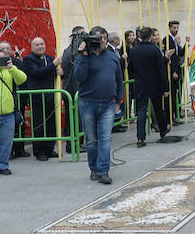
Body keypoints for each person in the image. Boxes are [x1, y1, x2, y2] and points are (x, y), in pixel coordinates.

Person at [72, 26, 123, 185]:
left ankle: (103, 170)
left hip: (108, 103)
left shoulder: (113, 56)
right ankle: (93, 168)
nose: (102, 41)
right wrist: (82, 54)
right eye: (98, 38)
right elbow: (79, 77)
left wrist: (118, 100)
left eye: (104, 38)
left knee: (105, 138)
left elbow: (119, 79)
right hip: (88, 103)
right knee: (92, 140)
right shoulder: (84, 56)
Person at [21, 37, 63, 161]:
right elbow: (37, 73)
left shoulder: (49, 58)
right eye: (37, 45)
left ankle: (49, 149)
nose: (40, 46)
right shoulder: (28, 59)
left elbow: (52, 72)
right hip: (37, 97)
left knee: (51, 124)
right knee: (39, 125)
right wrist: (54, 66)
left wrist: (60, 72)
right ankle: (39, 151)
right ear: (32, 47)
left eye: (42, 44)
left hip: (50, 96)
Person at [128, 27, 170, 147]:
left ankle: (140, 138)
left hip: (140, 84)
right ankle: (162, 130)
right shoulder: (154, 50)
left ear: (140, 36)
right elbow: (161, 70)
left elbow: (130, 68)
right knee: (158, 108)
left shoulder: (134, 50)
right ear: (150, 36)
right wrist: (165, 87)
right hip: (155, 84)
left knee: (141, 111)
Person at [108, 31, 128, 133]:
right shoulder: (109, 50)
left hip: (120, 78)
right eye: (117, 38)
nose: (119, 40)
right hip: (114, 80)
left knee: (120, 103)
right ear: (113, 40)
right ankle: (113, 125)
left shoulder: (117, 50)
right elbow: (114, 64)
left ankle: (118, 122)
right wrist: (122, 59)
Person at [165, 20, 185, 123]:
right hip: (171, 72)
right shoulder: (167, 40)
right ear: (169, 28)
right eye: (174, 28)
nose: (176, 30)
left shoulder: (174, 40)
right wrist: (173, 71)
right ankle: (169, 118)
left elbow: (179, 54)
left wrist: (186, 44)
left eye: (177, 28)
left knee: (175, 94)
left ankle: (173, 116)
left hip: (176, 70)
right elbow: (170, 59)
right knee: (171, 95)